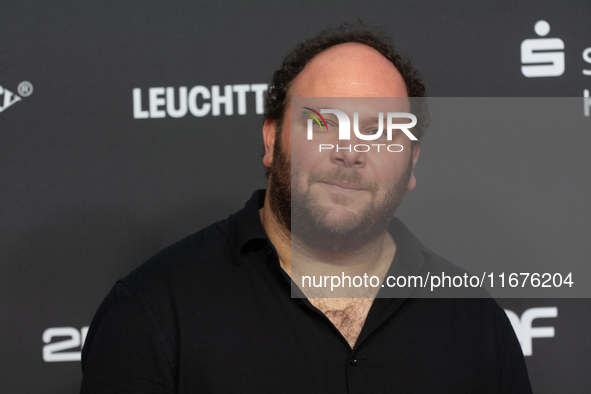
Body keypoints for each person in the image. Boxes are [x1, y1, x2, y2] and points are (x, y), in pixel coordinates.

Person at [80, 23, 532, 393]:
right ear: (272, 140)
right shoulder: (153, 311)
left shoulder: (475, 322)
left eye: (379, 131)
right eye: (324, 121)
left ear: (411, 164)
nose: (350, 150)